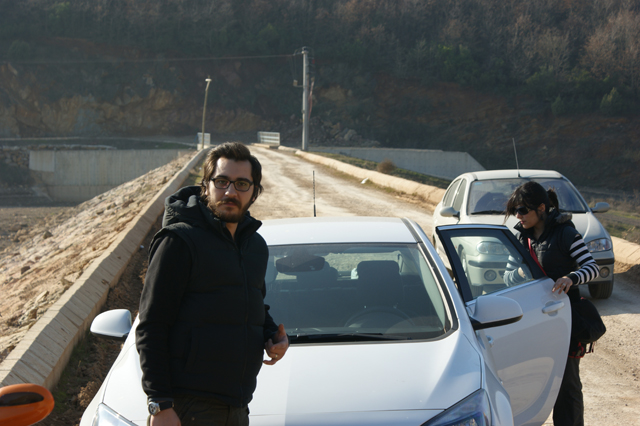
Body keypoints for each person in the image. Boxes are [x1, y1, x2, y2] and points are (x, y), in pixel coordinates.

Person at [135, 142, 289, 426]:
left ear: (254, 192)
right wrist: (160, 404)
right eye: (221, 181)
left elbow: (250, 304)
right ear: (205, 187)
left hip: (238, 405)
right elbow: (152, 325)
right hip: (188, 407)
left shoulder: (255, 246)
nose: (230, 192)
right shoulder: (179, 241)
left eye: (242, 184)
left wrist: (271, 336)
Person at [504, 181, 599, 426]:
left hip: (564, 318)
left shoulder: (566, 233)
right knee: (532, 381)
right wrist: (521, 273)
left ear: (542, 208)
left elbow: (592, 267)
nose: (518, 216)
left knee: (567, 384)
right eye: (515, 211)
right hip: (532, 320)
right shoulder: (520, 237)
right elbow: (506, 276)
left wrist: (571, 278)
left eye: (523, 210)